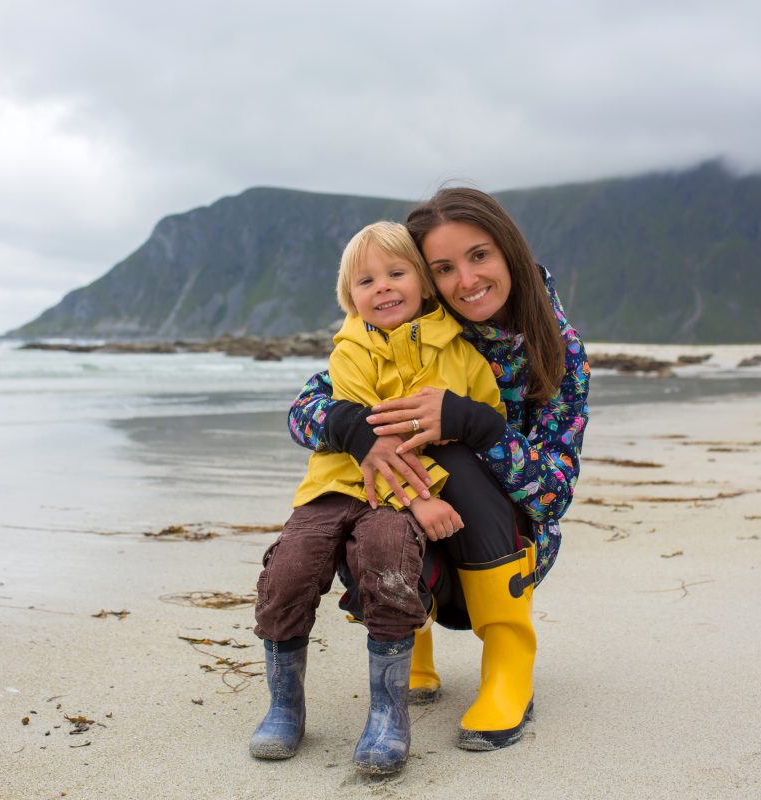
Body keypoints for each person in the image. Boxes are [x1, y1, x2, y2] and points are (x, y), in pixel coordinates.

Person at [287, 187, 590, 751]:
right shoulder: (407, 325)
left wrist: (479, 424)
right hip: (413, 535)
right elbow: (304, 413)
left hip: (508, 545)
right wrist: (355, 430)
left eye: (480, 256)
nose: (466, 280)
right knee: (357, 496)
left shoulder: (557, 348)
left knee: (450, 452)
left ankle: (507, 661)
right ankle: (412, 642)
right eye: (444, 267)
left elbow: (553, 496)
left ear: (510, 254)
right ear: (426, 279)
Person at [251, 221, 506, 775]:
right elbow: (376, 442)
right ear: (350, 297)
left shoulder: (458, 353)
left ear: (424, 282)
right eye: (366, 281)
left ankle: (389, 715)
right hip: (337, 486)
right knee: (288, 572)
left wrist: (465, 423)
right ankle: (284, 706)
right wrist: (422, 501)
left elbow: (485, 424)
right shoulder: (350, 352)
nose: (383, 287)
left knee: (389, 569)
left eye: (397, 273)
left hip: (392, 502)